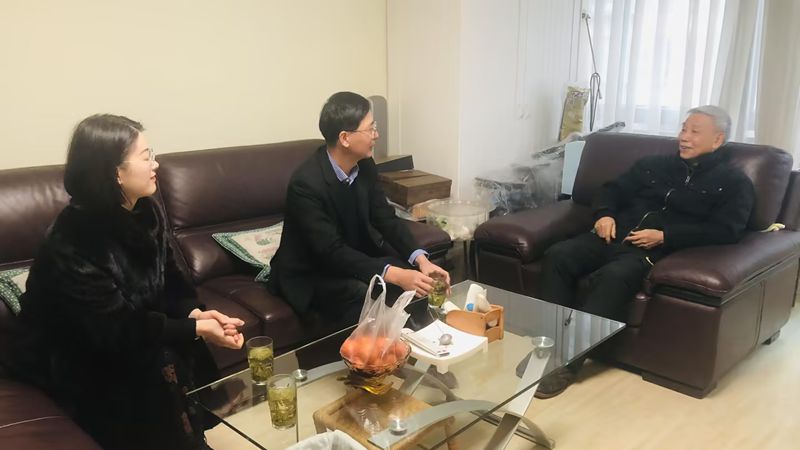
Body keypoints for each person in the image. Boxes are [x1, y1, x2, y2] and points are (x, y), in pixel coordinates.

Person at [10, 115, 245, 449]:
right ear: (114, 172)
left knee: (182, 342)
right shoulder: (75, 239)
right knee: (155, 361)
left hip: (122, 328)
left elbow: (172, 281)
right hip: (74, 349)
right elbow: (115, 329)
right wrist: (195, 329)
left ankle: (192, 436)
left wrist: (195, 314)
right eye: (146, 157)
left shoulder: (146, 211)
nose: (156, 164)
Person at [534, 105, 755, 398]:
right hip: (612, 235)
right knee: (558, 255)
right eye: (683, 129)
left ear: (717, 140)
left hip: (651, 250)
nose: (684, 137)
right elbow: (611, 190)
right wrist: (604, 214)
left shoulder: (734, 183)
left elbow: (727, 230)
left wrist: (666, 236)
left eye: (694, 132)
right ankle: (546, 348)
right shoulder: (654, 165)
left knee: (614, 276)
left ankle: (568, 365)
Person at [268, 91, 450, 323]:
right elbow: (331, 251)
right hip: (313, 271)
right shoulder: (306, 184)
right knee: (362, 291)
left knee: (415, 278)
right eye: (370, 129)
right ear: (345, 138)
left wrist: (421, 261)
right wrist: (395, 274)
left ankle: (419, 338)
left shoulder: (365, 165)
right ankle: (381, 344)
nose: (376, 135)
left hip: (352, 257)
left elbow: (385, 218)